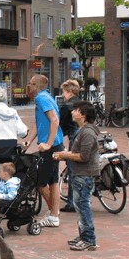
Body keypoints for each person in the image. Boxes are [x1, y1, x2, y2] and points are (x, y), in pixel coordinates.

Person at [54, 101, 99, 250]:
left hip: (84, 175)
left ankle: (89, 239)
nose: (72, 112)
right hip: (79, 174)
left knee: (83, 206)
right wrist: (66, 155)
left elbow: (84, 156)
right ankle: (83, 235)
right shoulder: (82, 130)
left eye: (76, 110)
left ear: (83, 115)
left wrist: (65, 155)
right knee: (79, 206)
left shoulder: (87, 133)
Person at [27, 74, 64, 228]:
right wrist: (29, 140)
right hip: (56, 144)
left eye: (30, 83)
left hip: (51, 146)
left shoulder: (41, 99)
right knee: (53, 181)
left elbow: (54, 120)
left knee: (41, 183)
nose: (28, 86)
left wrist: (48, 143)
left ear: (36, 85)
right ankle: (54, 213)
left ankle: (54, 213)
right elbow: (40, 122)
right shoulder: (47, 97)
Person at [0, 87, 28, 197]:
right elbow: (22, 132)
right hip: (10, 146)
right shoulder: (13, 112)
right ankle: (9, 198)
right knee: (10, 173)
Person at [58, 80, 82, 213]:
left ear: (70, 91)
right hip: (85, 135)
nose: (62, 95)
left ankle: (72, 202)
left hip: (74, 137)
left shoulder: (67, 106)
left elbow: (60, 126)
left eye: (64, 92)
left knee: (72, 169)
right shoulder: (83, 103)